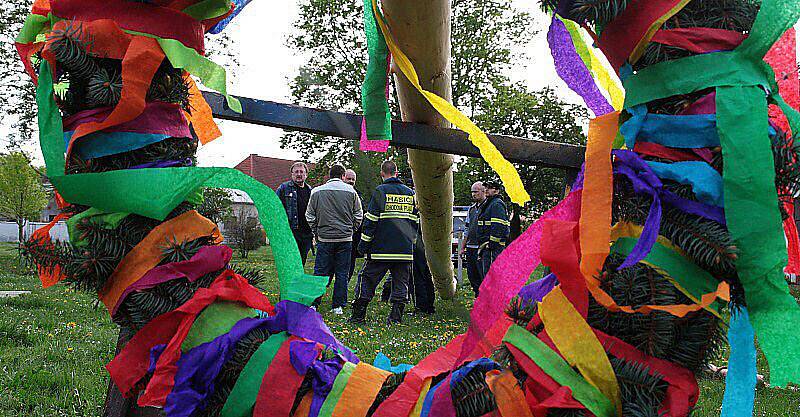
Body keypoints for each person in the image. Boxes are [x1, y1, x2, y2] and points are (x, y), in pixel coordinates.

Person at [351, 161, 418, 325]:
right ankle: (395, 318)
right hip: (404, 251)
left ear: (382, 173)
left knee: (366, 279)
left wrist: (363, 245)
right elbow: (415, 221)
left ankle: (358, 316)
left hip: (381, 249)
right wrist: (410, 244)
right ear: (396, 172)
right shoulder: (410, 194)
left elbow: (371, 220)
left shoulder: (380, 191)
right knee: (401, 282)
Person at [306, 164, 363, 314]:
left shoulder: (316, 191)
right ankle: (338, 305)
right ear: (343, 176)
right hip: (345, 239)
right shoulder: (351, 192)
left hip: (324, 238)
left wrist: (316, 231)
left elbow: (309, 215)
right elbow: (358, 215)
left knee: (320, 272)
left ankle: (314, 303)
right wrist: (351, 229)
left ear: (329, 175)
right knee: (342, 273)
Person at [276, 162, 314, 265]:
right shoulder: (284, 188)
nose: (299, 174)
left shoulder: (311, 191)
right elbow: (276, 209)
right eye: (296, 172)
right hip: (291, 232)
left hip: (306, 234)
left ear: (306, 174)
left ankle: (298, 280)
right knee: (291, 262)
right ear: (292, 174)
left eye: (301, 172)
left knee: (302, 262)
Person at [475, 180, 509, 284]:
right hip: (488, 247)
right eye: (485, 187)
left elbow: (499, 226)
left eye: (489, 187)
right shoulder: (490, 203)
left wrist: (491, 244)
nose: (486, 189)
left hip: (493, 248)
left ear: (496, 191)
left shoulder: (497, 204)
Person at [459, 181, 485, 296]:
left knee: (482, 275)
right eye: (472, 192)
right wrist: (462, 247)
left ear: (483, 191)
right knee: (472, 275)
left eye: (476, 191)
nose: (474, 194)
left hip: (482, 248)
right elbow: (467, 229)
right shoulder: (471, 209)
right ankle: (477, 296)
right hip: (470, 247)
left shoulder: (488, 207)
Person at [343, 169, 362, 282]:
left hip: (353, 237)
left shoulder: (358, 195)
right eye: (348, 179)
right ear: (343, 178)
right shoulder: (337, 194)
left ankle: (344, 285)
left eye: (353, 179)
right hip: (338, 235)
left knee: (350, 264)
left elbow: (361, 215)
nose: (350, 181)